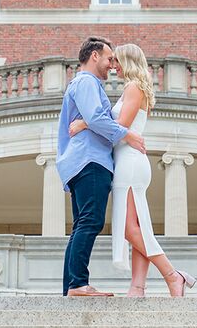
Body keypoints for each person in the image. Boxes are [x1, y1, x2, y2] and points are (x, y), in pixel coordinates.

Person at [69, 43, 196, 297]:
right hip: (128, 160)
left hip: (129, 162)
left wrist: (85, 123)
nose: (113, 65)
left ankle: (173, 275)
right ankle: (138, 286)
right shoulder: (135, 87)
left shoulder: (134, 87)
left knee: (129, 228)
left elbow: (119, 126)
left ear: (128, 61)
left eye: (117, 60)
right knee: (139, 226)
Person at [56, 36, 146, 297]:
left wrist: (87, 123)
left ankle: (72, 286)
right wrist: (127, 134)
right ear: (94, 56)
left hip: (81, 160)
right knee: (91, 221)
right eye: (108, 58)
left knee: (82, 224)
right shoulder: (86, 82)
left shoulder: (83, 84)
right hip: (91, 160)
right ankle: (77, 284)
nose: (111, 65)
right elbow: (97, 117)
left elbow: (93, 118)